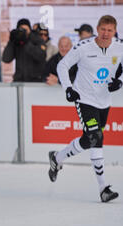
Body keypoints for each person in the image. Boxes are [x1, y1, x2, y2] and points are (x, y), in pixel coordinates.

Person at [49, 15, 121, 203]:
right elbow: (62, 65)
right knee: (96, 137)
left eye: (110, 30)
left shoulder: (120, 46)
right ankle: (103, 188)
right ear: (98, 29)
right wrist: (68, 89)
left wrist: (120, 82)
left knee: (88, 140)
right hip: (84, 100)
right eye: (103, 29)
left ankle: (57, 158)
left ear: (115, 31)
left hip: (104, 102)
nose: (106, 33)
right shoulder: (83, 47)